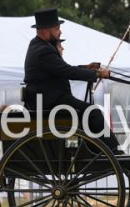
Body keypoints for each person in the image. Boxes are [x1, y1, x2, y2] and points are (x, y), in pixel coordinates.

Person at [22, 8, 119, 153]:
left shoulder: (39, 46)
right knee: (93, 112)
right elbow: (67, 71)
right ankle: (113, 151)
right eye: (57, 29)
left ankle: (97, 150)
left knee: (89, 113)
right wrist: (96, 74)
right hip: (52, 101)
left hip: (52, 99)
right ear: (45, 30)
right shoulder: (43, 50)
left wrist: (86, 68)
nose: (60, 32)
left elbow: (60, 69)